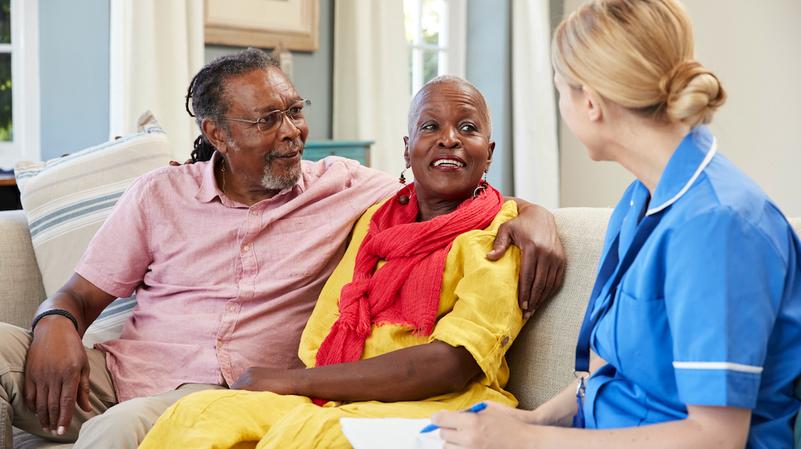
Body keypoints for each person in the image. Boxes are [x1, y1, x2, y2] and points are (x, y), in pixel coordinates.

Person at [0, 49, 565, 449]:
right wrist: (55, 322)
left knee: (122, 430)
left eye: (295, 110)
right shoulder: (159, 194)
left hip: (217, 392)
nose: (292, 132)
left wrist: (536, 214)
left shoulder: (346, 188)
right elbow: (78, 295)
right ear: (217, 133)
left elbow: (448, 185)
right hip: (118, 373)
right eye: (267, 120)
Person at [433, 1, 801, 448]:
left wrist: (528, 442)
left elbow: (716, 438)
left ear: (590, 102)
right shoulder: (638, 202)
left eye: (560, 90)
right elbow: (607, 374)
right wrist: (528, 422)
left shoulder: (718, 227)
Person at [137, 75, 525, 449]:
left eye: (468, 128)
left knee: (311, 437)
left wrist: (293, 382)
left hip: (441, 402)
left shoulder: (501, 234)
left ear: (488, 153)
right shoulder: (377, 219)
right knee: (197, 413)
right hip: (339, 394)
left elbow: (452, 364)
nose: (449, 139)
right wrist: (307, 385)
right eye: (430, 127)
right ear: (407, 149)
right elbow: (327, 326)